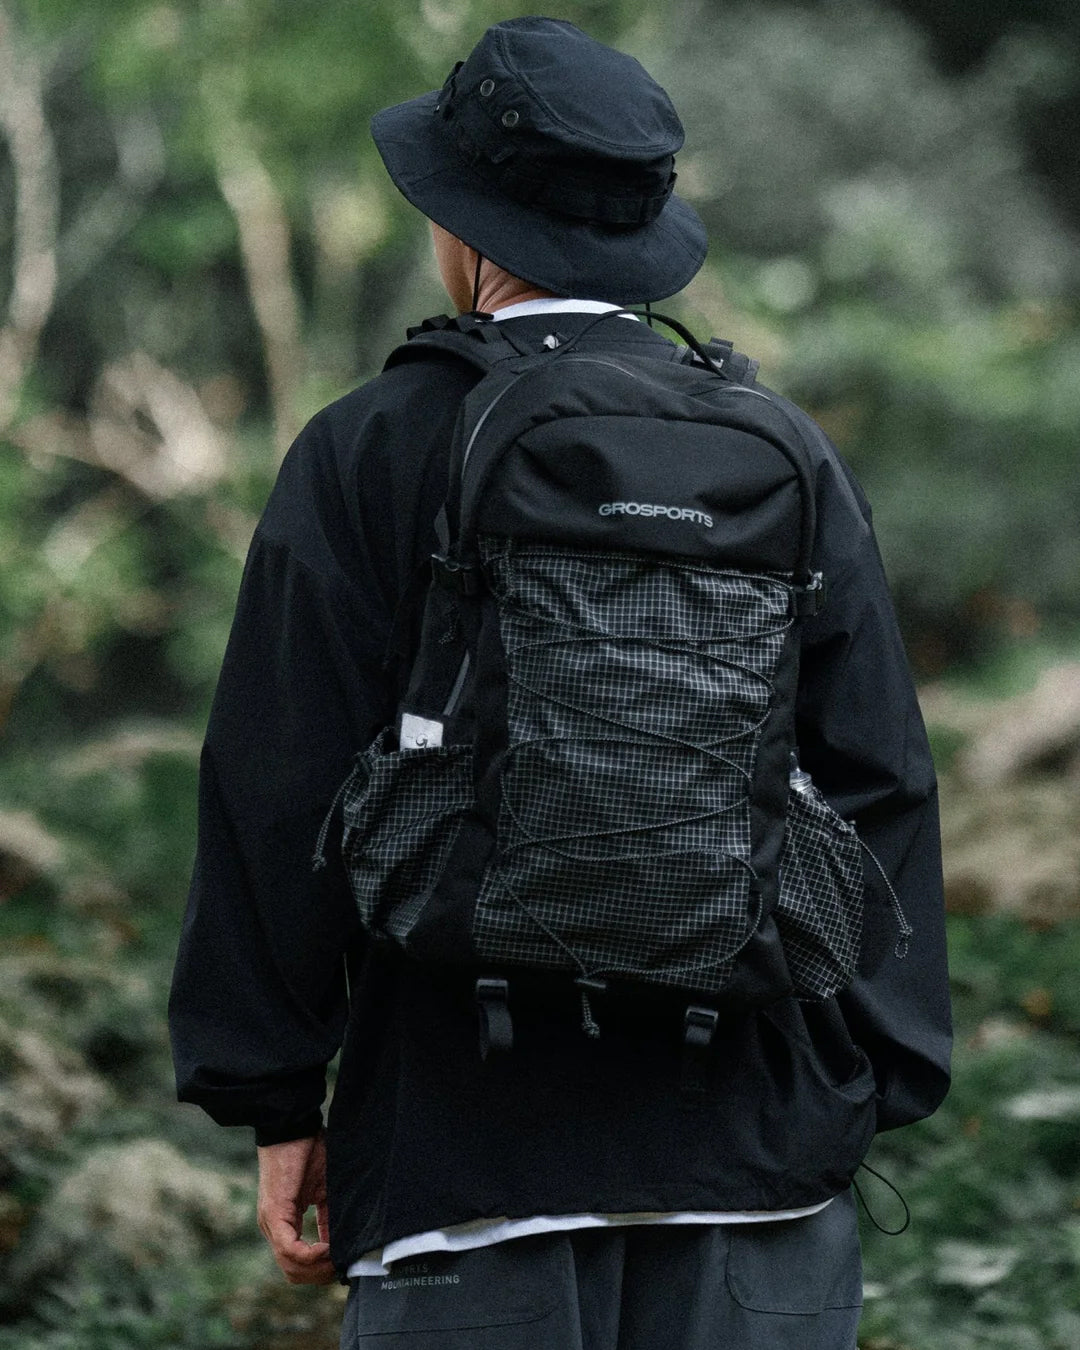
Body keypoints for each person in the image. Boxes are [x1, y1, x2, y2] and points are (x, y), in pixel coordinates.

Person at [169, 17, 951, 1349]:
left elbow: (276, 783)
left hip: (464, 1160)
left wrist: (278, 1097)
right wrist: (877, 1070)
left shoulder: (369, 447)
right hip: (760, 1153)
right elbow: (877, 777)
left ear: (467, 232)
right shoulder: (781, 453)